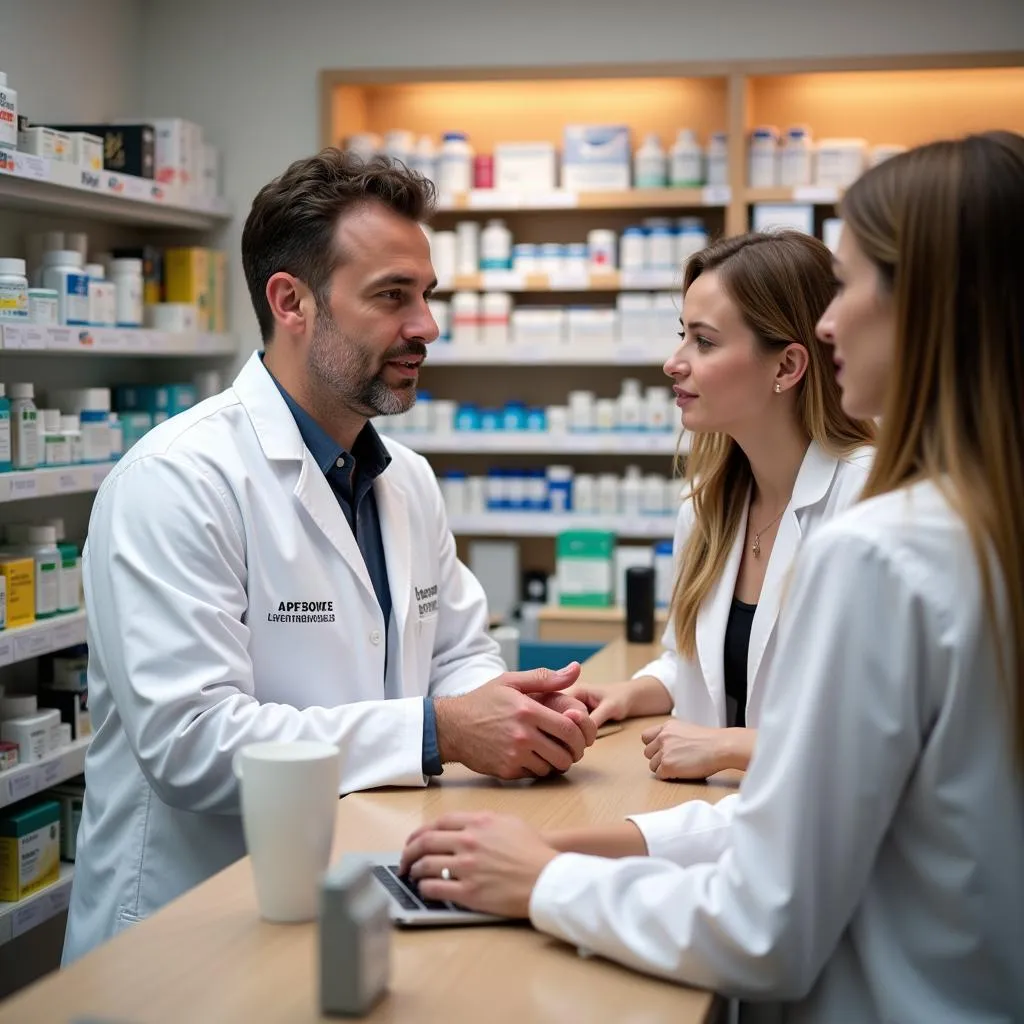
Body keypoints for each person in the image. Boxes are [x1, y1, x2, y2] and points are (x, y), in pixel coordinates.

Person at [401, 131, 1024, 1021]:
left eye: (850, 284)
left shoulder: (883, 547)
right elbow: (812, 809)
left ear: (930, 307)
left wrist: (548, 879)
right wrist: (601, 809)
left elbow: (766, 920)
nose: (832, 319)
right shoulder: (979, 521)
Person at [63, 151, 595, 963]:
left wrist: (513, 711)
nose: (427, 327)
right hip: (197, 934)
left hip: (374, 889)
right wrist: (438, 731)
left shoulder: (405, 480)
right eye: (392, 297)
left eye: (427, 296)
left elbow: (457, 650)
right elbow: (190, 744)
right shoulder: (178, 480)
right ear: (292, 302)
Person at [570, 231, 873, 784]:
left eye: (704, 343)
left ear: (786, 367)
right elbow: (698, 661)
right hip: (719, 817)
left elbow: (877, 733)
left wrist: (733, 746)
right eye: (682, 335)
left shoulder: (867, 501)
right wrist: (632, 691)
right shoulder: (708, 509)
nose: (672, 363)